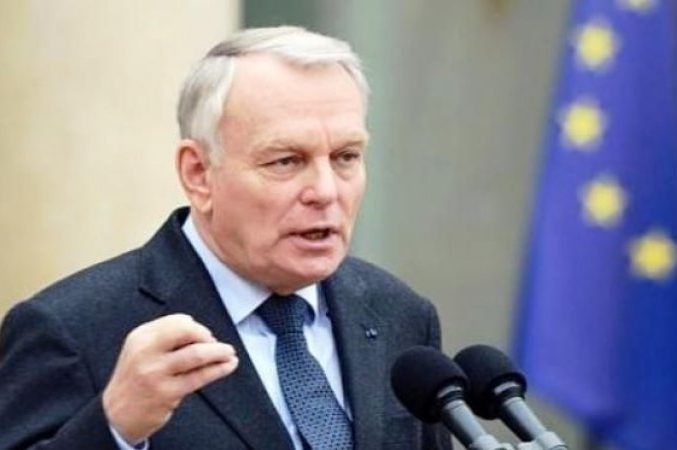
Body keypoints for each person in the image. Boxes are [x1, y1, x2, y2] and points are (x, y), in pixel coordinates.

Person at [0, 26, 451, 450]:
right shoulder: (71, 328)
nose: (326, 191)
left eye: (346, 157)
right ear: (198, 173)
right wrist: (115, 428)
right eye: (286, 161)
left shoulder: (400, 314)